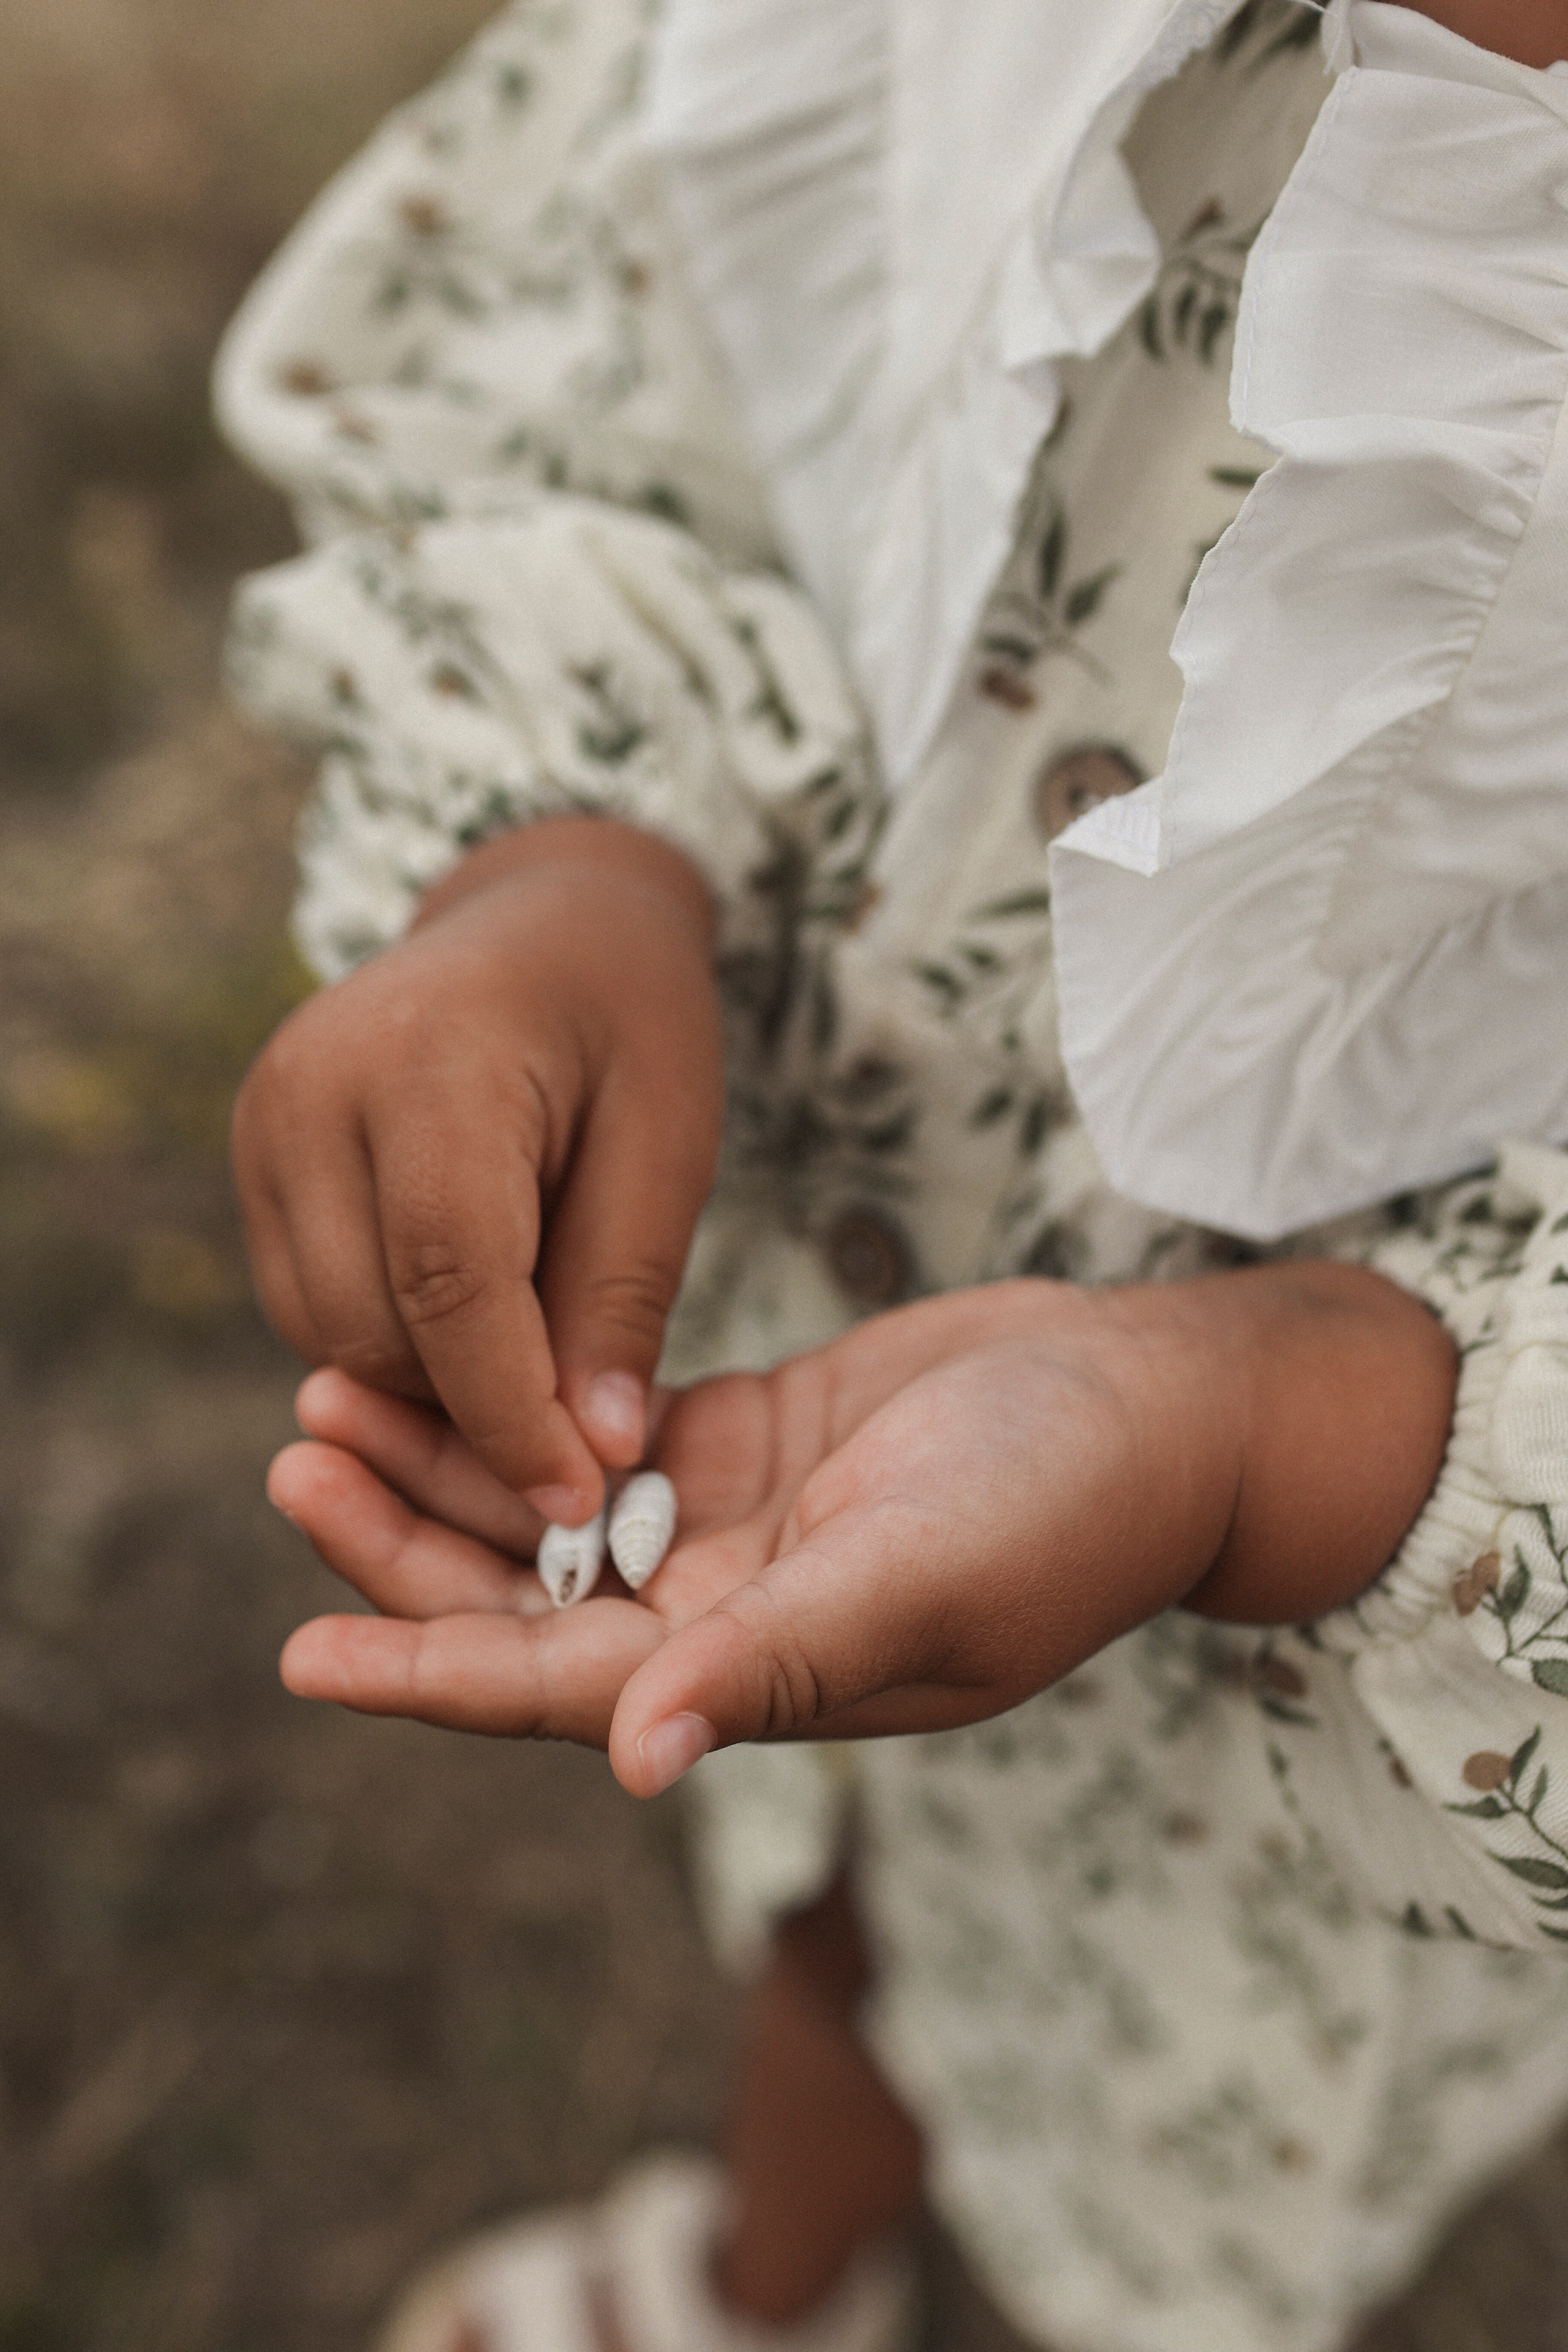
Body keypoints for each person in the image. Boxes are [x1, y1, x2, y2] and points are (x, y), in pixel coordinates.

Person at [216, 0, 1568, 2346]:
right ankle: (777, 2271)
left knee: (1152, 2164)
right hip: (826, 1403)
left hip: (1319, 1693)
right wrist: (568, 856)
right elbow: (613, 341)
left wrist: (1267, 1426)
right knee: (834, 1895)